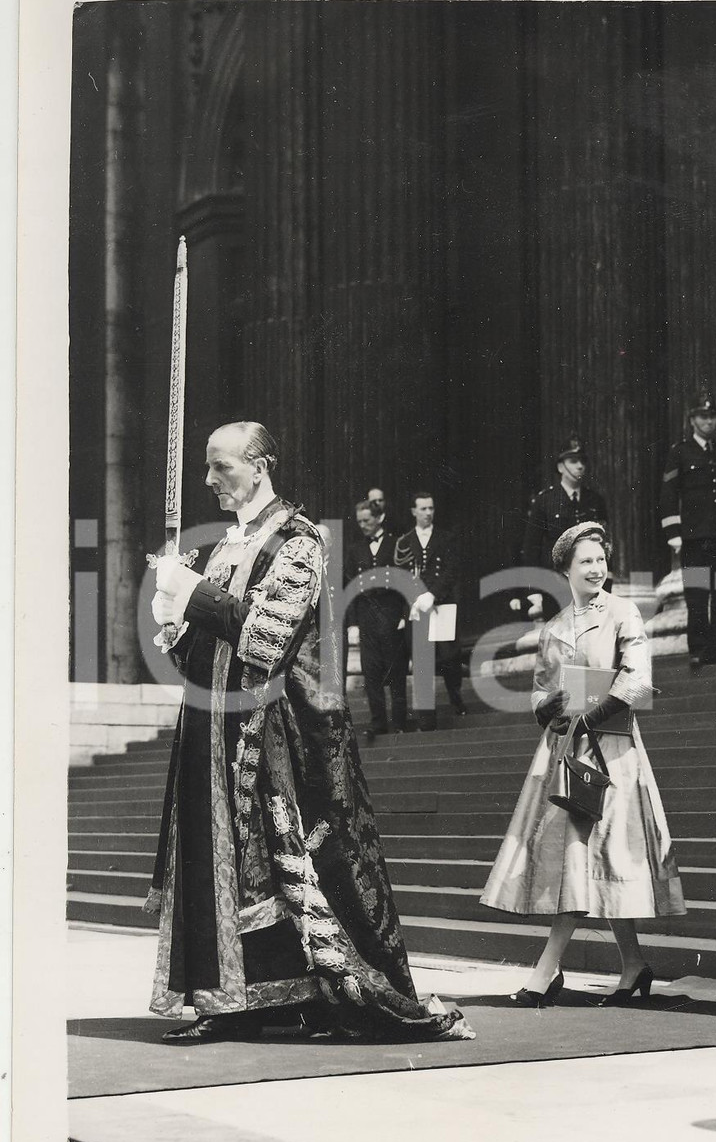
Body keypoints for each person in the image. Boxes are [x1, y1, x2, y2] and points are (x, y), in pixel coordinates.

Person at [146, 421, 473, 1044]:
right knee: (223, 863)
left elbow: (267, 638)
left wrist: (193, 596)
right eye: (208, 469)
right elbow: (207, 643)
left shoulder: (299, 540)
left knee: (281, 866)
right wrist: (176, 619)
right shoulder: (220, 547)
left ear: (261, 463)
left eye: (223, 468)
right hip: (210, 724)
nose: (211, 481)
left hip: (273, 731)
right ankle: (231, 999)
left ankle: (308, 996)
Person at [481, 522, 685, 1005]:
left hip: (611, 751)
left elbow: (637, 678)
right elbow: (540, 687)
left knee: (595, 855)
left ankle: (546, 971)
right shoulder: (552, 628)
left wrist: (590, 714)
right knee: (585, 857)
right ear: (566, 571)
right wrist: (546, 707)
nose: (596, 569)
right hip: (564, 753)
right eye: (586, 562)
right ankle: (633, 966)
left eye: (600, 560)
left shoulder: (623, 612)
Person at [660, 392, 716, 670]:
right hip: (694, 538)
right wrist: (673, 532)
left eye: (712, 416)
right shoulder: (680, 452)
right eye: (702, 416)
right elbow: (668, 494)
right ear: (692, 420)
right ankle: (698, 648)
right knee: (697, 594)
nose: (708, 421)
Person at [512, 434, 609, 620]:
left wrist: (607, 583)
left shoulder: (595, 501)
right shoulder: (545, 501)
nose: (580, 466)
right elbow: (531, 548)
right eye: (573, 461)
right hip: (555, 587)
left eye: (582, 461)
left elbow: (606, 545)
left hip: (591, 584)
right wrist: (533, 589)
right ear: (560, 467)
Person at [393, 492, 466, 730]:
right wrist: (416, 598)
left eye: (431, 508)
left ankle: (455, 696)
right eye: (423, 509)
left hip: (440, 605)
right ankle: (426, 718)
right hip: (415, 609)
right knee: (421, 661)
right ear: (413, 511)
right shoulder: (404, 541)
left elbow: (451, 570)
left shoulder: (446, 538)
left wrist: (432, 594)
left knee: (449, 658)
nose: (428, 513)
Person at [345, 499, 409, 744]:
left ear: (379, 518)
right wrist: (353, 622)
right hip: (366, 616)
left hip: (392, 613)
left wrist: (405, 614)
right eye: (359, 521)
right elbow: (349, 588)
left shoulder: (397, 545)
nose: (362, 525)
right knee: (371, 672)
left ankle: (400, 722)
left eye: (367, 520)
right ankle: (378, 722)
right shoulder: (354, 550)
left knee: (396, 670)